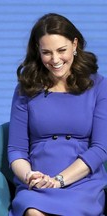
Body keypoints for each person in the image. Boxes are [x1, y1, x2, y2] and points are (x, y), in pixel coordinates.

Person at [7, 13, 107, 215]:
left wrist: (59, 180)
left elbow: (100, 148)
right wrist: (30, 176)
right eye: (47, 52)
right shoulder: (25, 89)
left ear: (75, 44)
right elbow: (16, 150)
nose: (55, 60)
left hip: (83, 182)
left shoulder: (98, 85)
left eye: (61, 50)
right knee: (33, 211)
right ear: (38, 50)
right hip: (39, 183)